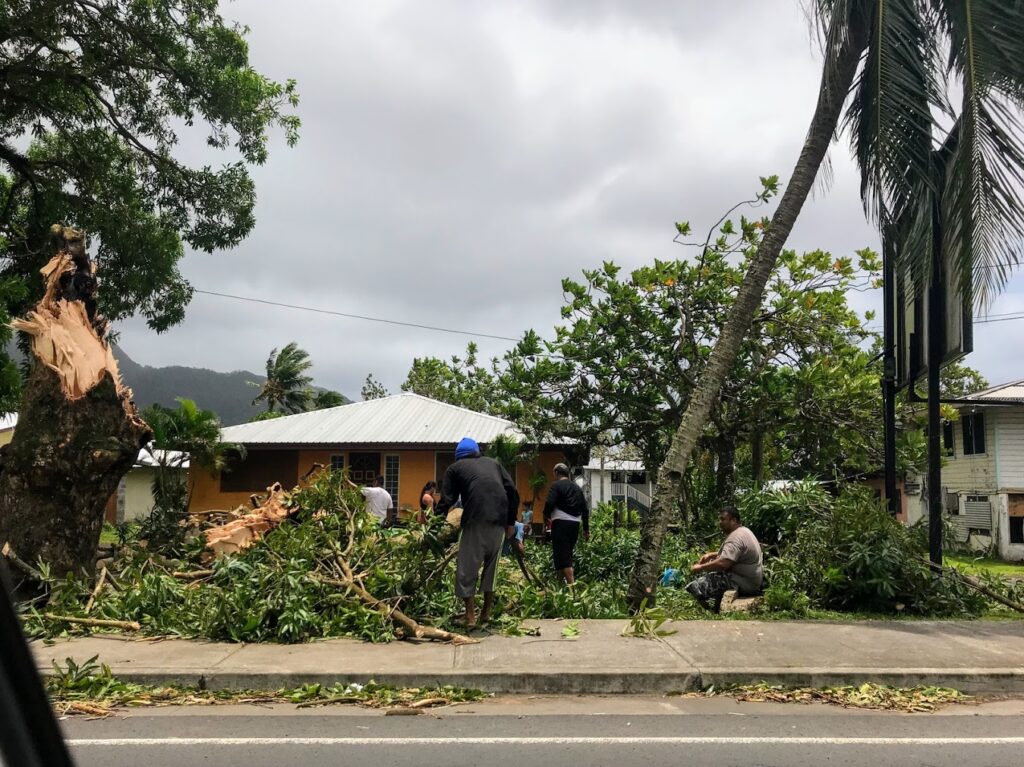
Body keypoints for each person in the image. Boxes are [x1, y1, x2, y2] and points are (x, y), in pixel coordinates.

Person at [436, 436, 519, 628]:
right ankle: (486, 614)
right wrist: (510, 522)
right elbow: (512, 491)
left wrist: (434, 526)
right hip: (499, 521)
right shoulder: (495, 464)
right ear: (477, 452)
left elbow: (447, 499)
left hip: (475, 520)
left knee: (467, 569)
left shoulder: (455, 468)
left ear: (458, 456)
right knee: (491, 569)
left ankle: (470, 617)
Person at [685, 506, 763, 612]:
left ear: (734, 520)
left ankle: (712, 612)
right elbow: (736, 553)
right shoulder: (744, 531)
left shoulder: (735, 538)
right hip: (751, 581)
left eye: (723, 519)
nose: (720, 522)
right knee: (712, 576)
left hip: (743, 583)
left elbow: (723, 563)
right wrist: (712, 555)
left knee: (694, 586)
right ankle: (716, 606)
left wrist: (700, 567)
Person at [543, 462, 590, 585]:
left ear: (556, 473)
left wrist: (546, 516)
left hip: (560, 523)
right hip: (575, 524)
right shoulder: (577, 489)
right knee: (563, 554)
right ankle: (559, 585)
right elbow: (585, 509)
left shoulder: (556, 485)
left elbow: (549, 503)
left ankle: (572, 588)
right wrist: (586, 529)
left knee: (564, 557)